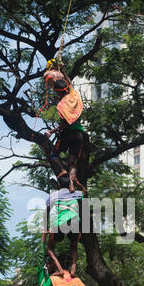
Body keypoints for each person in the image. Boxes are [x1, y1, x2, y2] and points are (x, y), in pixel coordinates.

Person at [43, 58, 88, 193]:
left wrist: (52, 131)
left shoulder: (62, 105)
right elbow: (69, 82)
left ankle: (62, 170)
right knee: (72, 161)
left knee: (53, 155)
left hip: (68, 134)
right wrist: (62, 69)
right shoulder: (74, 95)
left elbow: (65, 123)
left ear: (58, 91)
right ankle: (72, 183)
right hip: (79, 135)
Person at [44, 186, 85, 277]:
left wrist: (46, 228)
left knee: (49, 248)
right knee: (73, 247)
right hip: (75, 221)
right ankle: (73, 270)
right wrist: (77, 183)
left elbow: (46, 212)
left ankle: (60, 270)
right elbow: (85, 191)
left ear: (58, 185)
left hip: (61, 222)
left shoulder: (54, 195)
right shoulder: (77, 193)